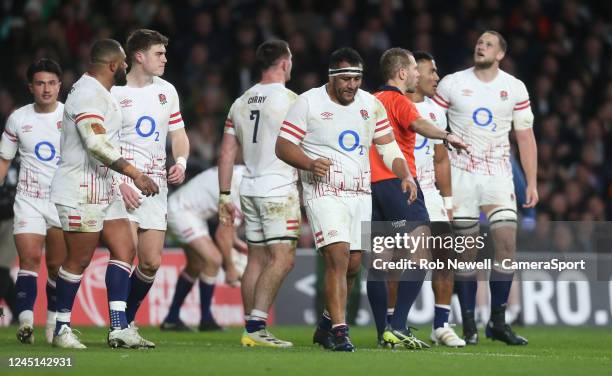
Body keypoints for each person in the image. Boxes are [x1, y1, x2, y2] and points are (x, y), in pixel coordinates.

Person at [276, 47, 415, 352]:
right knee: (338, 256)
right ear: (331, 77)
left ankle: (326, 325)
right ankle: (341, 331)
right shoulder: (308, 102)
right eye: (346, 79)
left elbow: (388, 147)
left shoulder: (370, 104)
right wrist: (310, 164)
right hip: (324, 191)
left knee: (353, 264)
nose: (352, 85)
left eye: (357, 78)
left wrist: (404, 173)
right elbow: (283, 146)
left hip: (360, 192)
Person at [49, 39, 159, 349]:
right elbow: (95, 143)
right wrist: (135, 174)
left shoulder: (100, 93)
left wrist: (118, 180)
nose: (126, 66)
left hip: (104, 186)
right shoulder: (87, 95)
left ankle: (118, 328)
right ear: (112, 65)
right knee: (79, 259)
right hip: (80, 188)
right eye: (124, 62)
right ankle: (61, 329)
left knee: (125, 249)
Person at [433, 31, 537, 345]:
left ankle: (498, 322)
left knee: (506, 244)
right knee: (465, 254)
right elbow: (432, 125)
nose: (481, 46)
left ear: (501, 53)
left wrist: (531, 182)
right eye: (479, 42)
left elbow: (526, 138)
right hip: (461, 174)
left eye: (488, 44)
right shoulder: (451, 83)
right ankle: (468, 324)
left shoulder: (514, 87)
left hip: (497, 175)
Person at [366, 48, 467, 349]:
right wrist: (446, 136)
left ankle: (383, 331)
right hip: (398, 184)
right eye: (412, 69)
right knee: (421, 252)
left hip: (369, 186)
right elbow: (418, 124)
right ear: (400, 73)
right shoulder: (398, 100)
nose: (416, 74)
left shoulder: (369, 100)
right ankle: (398, 326)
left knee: (381, 262)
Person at [218, 40, 300, 348]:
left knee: (256, 259)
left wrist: (225, 194)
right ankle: (256, 326)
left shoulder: (240, 102)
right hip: (278, 189)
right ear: (284, 63)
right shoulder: (292, 100)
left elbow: (226, 153)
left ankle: (249, 327)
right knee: (283, 259)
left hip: (248, 188)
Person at [110, 29, 189, 341]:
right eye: (159, 53)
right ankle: (117, 326)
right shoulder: (114, 93)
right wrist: (119, 181)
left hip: (156, 184)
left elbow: (179, 134)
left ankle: (126, 323)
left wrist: (180, 162)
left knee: (151, 262)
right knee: (125, 251)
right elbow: (101, 142)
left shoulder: (167, 91)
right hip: (123, 183)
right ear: (138, 57)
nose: (165, 59)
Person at [0, 59, 67, 345]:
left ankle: (52, 325)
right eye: (40, 83)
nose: (46, 89)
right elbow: (4, 160)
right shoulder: (18, 118)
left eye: (51, 83)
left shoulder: (72, 116)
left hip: (62, 201)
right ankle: (26, 321)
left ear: (59, 86)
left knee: (56, 267)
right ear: (31, 87)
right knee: (29, 259)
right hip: (28, 200)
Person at [409, 51, 465, 347]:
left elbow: (441, 160)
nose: (436, 77)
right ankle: (392, 324)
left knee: (446, 257)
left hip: (430, 193)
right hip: (400, 193)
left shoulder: (435, 111)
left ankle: (441, 325)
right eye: (431, 71)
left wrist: (448, 201)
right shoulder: (390, 105)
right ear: (414, 73)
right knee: (398, 263)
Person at [160, 165, 247, 332]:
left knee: (197, 265)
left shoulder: (240, 173)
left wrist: (237, 243)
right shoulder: (242, 188)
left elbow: (228, 231)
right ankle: (206, 319)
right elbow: (222, 235)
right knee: (213, 259)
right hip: (182, 212)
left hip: (188, 211)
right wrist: (230, 268)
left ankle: (172, 318)